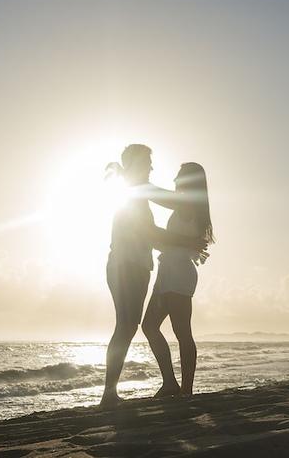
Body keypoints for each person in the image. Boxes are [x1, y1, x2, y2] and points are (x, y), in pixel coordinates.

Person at [100, 145, 207, 408]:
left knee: (137, 326)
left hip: (149, 268)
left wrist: (123, 173)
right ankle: (111, 393)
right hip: (131, 267)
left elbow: (157, 221)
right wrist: (189, 241)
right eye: (148, 162)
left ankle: (175, 387)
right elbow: (151, 232)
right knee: (130, 326)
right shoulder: (135, 193)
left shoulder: (145, 193)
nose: (152, 167)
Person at [142, 162, 214, 397]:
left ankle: (186, 389)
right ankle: (171, 383)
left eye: (180, 177)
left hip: (179, 273)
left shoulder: (187, 203)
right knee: (150, 326)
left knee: (182, 331)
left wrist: (135, 180)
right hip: (168, 272)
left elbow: (154, 194)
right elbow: (172, 240)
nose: (174, 180)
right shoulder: (187, 205)